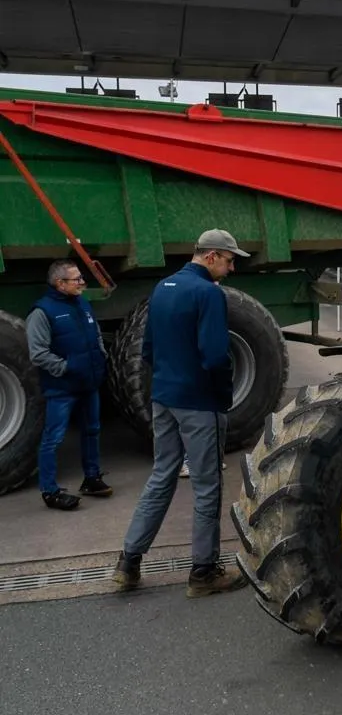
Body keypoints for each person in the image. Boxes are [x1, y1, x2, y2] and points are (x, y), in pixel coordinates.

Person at [113, 229, 249, 597]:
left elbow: (148, 349)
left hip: (164, 398)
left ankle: (128, 562)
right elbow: (215, 355)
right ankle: (203, 572)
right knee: (207, 486)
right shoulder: (208, 293)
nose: (231, 268)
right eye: (229, 260)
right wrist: (222, 395)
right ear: (211, 256)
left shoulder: (163, 288)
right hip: (199, 403)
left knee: (162, 476)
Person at [26, 259, 112, 510]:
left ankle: (92, 478)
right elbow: (38, 353)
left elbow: (96, 335)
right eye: (77, 279)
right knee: (53, 438)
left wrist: (100, 356)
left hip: (88, 384)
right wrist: (66, 369)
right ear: (60, 283)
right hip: (61, 389)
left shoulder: (82, 304)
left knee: (92, 430)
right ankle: (50, 491)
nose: (82, 282)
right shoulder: (42, 312)